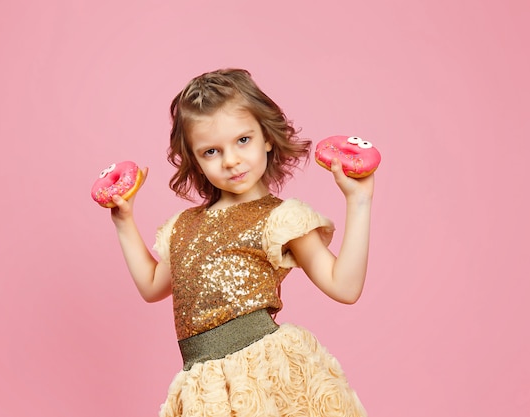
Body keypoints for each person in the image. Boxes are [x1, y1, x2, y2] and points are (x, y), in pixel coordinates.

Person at [109, 68, 374, 416]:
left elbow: (345, 286)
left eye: (243, 140)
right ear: (195, 160)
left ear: (266, 136)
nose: (231, 159)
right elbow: (151, 286)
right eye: (211, 151)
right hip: (206, 390)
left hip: (266, 377)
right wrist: (124, 220)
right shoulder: (183, 226)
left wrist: (359, 201)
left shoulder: (281, 218)